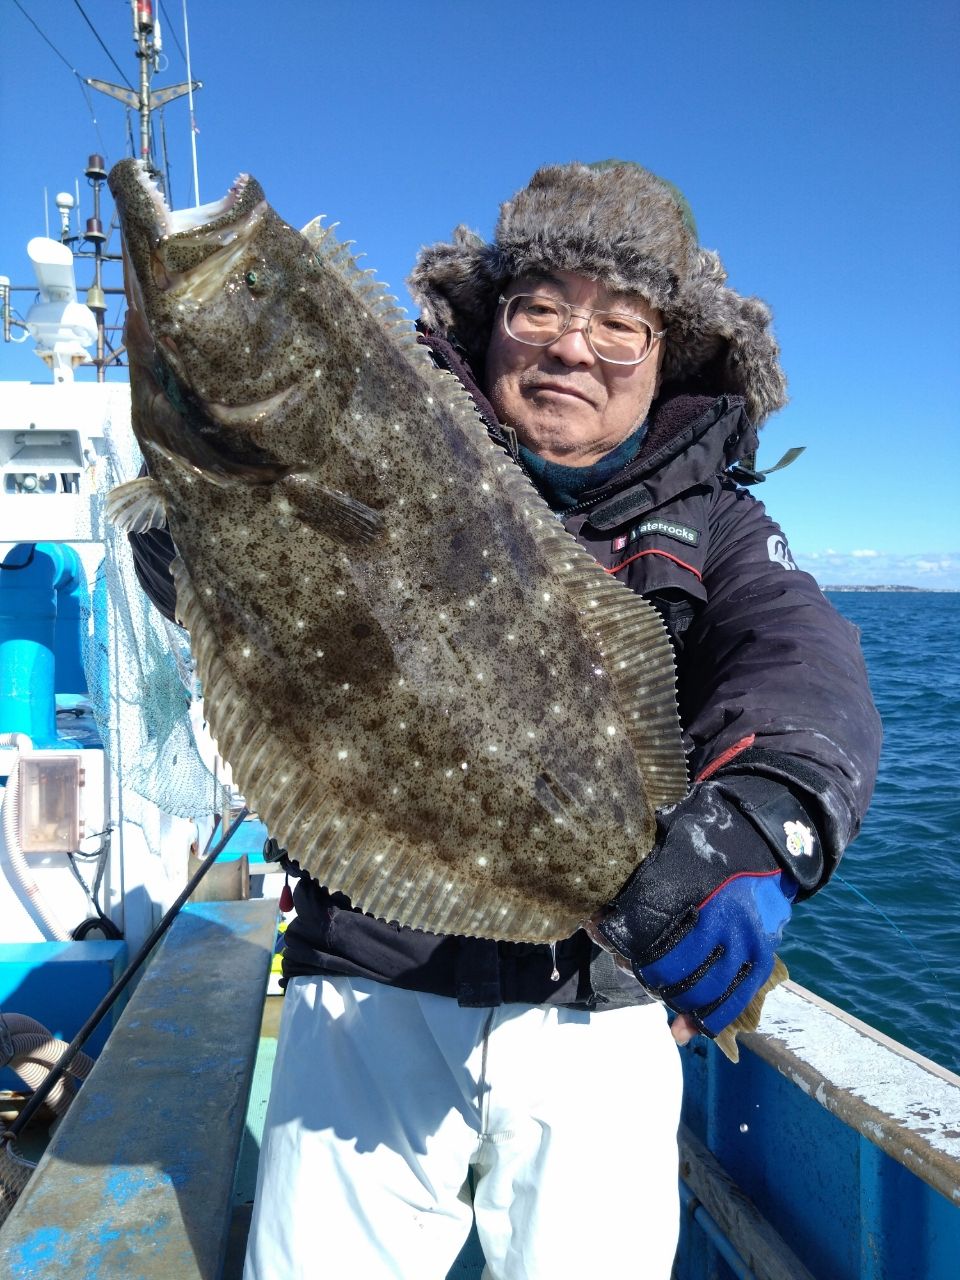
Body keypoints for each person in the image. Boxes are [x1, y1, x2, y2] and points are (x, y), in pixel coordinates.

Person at [130, 161, 881, 1280]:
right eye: (538, 308)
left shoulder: (717, 527)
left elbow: (799, 660)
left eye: (619, 324)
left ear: (668, 355)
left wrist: (766, 821)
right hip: (366, 984)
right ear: (489, 329)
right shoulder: (371, 423)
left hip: (601, 1004)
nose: (572, 347)